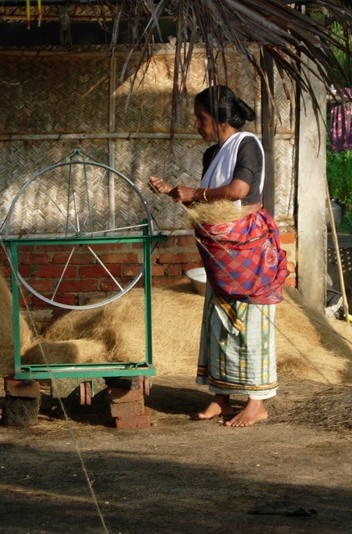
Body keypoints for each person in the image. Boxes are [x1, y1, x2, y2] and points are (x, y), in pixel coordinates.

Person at [149, 85, 288, 427]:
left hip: (247, 249)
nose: (196, 124)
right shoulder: (212, 155)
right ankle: (221, 396)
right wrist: (173, 192)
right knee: (219, 320)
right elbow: (208, 201)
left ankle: (257, 403)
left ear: (222, 118)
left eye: (201, 118)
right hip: (220, 251)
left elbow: (239, 191)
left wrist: (195, 192)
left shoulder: (248, 145)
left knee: (250, 321)